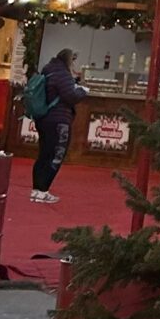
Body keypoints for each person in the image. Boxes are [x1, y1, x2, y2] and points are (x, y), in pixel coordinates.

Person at [27, 46, 91, 203]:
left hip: (44, 119)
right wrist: (83, 90)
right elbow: (70, 96)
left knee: (43, 154)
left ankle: (36, 189)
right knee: (56, 155)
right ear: (69, 60)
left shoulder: (48, 69)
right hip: (59, 120)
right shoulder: (62, 73)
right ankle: (43, 190)